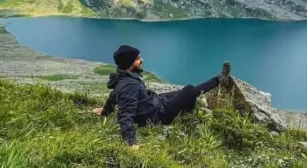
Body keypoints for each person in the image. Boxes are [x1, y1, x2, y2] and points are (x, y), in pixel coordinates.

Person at [92, 45, 232, 149]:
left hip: (155, 103)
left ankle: (193, 99)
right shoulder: (129, 85)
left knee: (182, 92)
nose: (142, 60)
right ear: (129, 63)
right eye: (138, 59)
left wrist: (105, 111)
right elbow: (125, 115)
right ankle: (219, 80)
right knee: (189, 90)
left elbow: (114, 95)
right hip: (159, 115)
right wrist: (130, 143)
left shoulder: (123, 77)